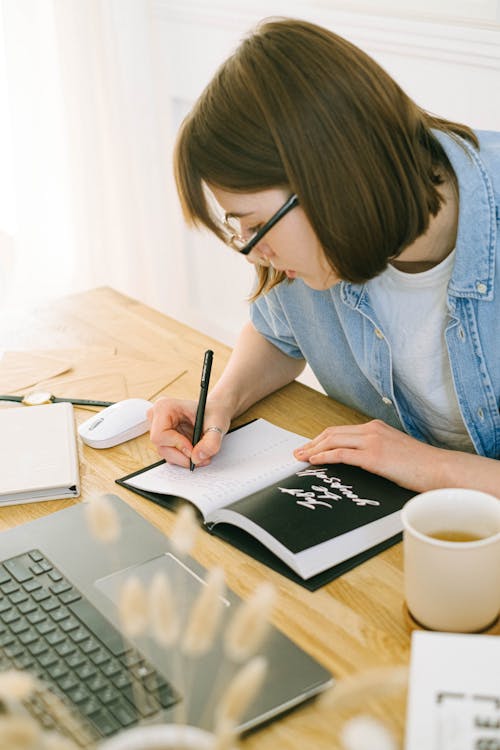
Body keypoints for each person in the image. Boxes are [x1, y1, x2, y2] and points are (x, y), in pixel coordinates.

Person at [148, 17, 500, 495]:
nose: (256, 255)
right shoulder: (316, 250)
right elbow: (279, 333)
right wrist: (221, 401)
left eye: (256, 226)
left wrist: (434, 467)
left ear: (330, 180)